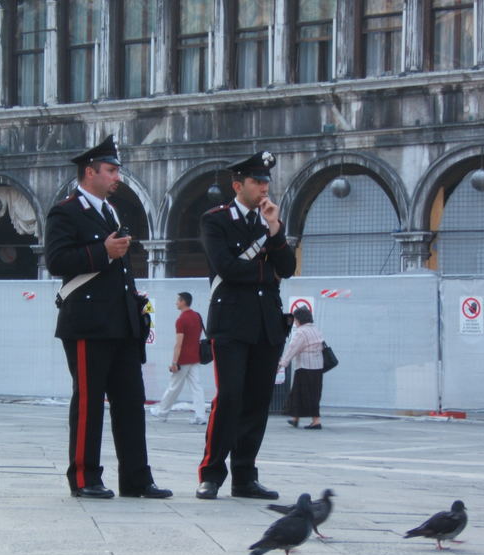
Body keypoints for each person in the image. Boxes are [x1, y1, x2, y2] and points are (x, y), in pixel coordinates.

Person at [45, 135, 172, 500]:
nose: (118, 177)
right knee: (88, 401)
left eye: (117, 170)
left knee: (130, 402)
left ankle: (137, 479)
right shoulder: (65, 211)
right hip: (87, 322)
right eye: (111, 170)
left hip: (121, 323)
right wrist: (102, 251)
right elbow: (56, 261)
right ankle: (84, 477)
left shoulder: (113, 211)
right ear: (90, 172)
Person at [196, 150, 296, 501]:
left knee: (256, 401)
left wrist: (275, 229)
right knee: (230, 397)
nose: (264, 187)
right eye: (257, 181)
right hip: (231, 322)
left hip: (266, 323)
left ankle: (244, 475)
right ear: (238, 185)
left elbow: (288, 266)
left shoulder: (268, 222)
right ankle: (210, 473)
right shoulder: (216, 220)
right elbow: (227, 267)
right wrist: (266, 271)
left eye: (267, 181)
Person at [150, 292, 207, 425]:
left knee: (173, 386)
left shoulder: (181, 320)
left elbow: (179, 343)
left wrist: (174, 362)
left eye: (178, 300)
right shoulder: (197, 316)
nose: (176, 303)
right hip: (195, 357)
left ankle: (162, 412)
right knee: (197, 387)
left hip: (183, 359)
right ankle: (200, 416)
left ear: (183, 302)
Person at [278, 306, 325, 430]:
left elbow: (293, 348)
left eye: (295, 319)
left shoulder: (302, 332)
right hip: (317, 367)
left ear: (299, 319)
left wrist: (282, 363)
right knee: (309, 393)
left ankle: (316, 421)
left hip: (305, 367)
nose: (294, 322)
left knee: (303, 393)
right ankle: (295, 418)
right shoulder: (315, 329)